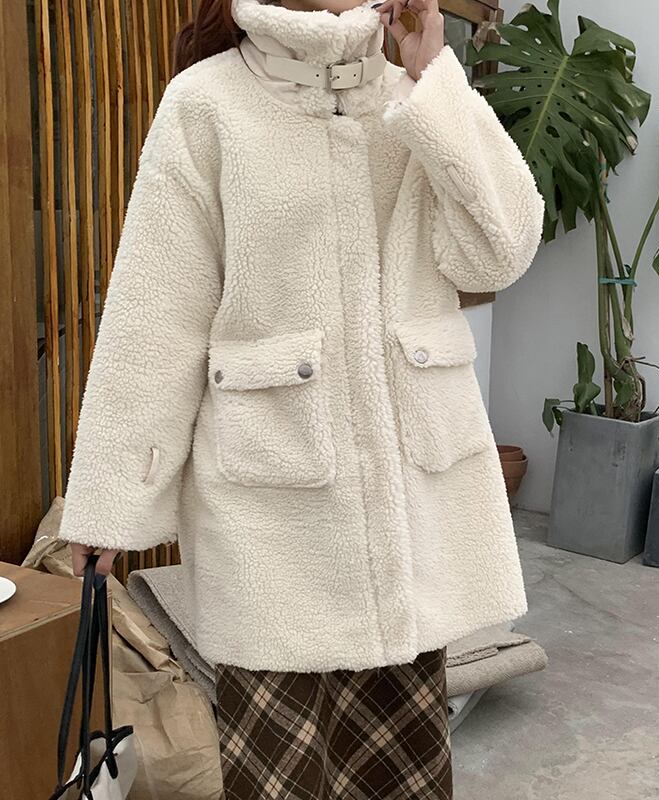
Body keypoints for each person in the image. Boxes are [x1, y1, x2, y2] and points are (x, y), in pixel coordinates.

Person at [57, 0, 545, 796]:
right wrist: (109, 504)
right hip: (273, 522)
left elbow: (499, 250)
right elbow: (157, 317)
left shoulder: (415, 100)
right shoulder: (207, 104)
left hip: (409, 520)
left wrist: (433, 76)